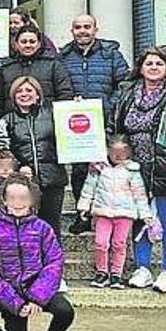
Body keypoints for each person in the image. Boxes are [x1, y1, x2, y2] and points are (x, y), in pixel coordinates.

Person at [109, 47, 166, 294]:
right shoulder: (127, 94)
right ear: (141, 68)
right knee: (139, 219)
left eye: (159, 63)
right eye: (149, 63)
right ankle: (143, 268)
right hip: (135, 169)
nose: (154, 67)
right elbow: (114, 126)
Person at [0, 174, 73, 331]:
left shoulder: (43, 228)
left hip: (37, 288)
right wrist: (15, 302)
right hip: (10, 293)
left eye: (23, 198)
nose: (18, 203)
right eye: (12, 198)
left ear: (32, 200)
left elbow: (54, 262)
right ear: (4, 199)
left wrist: (38, 297)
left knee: (65, 311)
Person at [58, 14, 131, 234]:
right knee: (80, 172)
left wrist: (110, 104)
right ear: (72, 31)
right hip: (77, 124)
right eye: (78, 27)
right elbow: (58, 84)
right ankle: (83, 216)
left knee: (108, 170)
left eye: (87, 27)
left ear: (95, 29)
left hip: (106, 121)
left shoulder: (112, 55)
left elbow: (125, 83)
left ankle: (110, 215)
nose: (82, 31)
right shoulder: (63, 57)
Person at [0, 76, 68, 235]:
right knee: (25, 231)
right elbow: (0, 152)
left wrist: (78, 107)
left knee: (52, 229)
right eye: (19, 91)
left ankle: (53, 260)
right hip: (21, 185)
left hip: (52, 180)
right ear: (13, 96)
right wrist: (17, 168)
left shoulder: (54, 114)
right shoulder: (6, 121)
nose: (24, 94)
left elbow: (71, 136)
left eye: (29, 90)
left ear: (38, 94)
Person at [77, 134, 150, 288]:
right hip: (102, 212)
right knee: (100, 243)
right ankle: (102, 272)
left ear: (129, 152)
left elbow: (140, 194)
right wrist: (84, 206)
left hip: (124, 215)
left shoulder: (132, 171)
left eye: (122, 153)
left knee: (119, 244)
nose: (118, 156)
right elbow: (89, 189)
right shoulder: (99, 168)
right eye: (114, 152)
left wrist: (145, 214)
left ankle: (117, 273)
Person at [0, 25, 74, 123]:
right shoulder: (5, 69)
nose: (28, 45)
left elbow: (65, 95)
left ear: (39, 44)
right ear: (16, 44)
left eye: (32, 42)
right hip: (13, 126)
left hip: (47, 125)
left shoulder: (53, 66)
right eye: (23, 42)